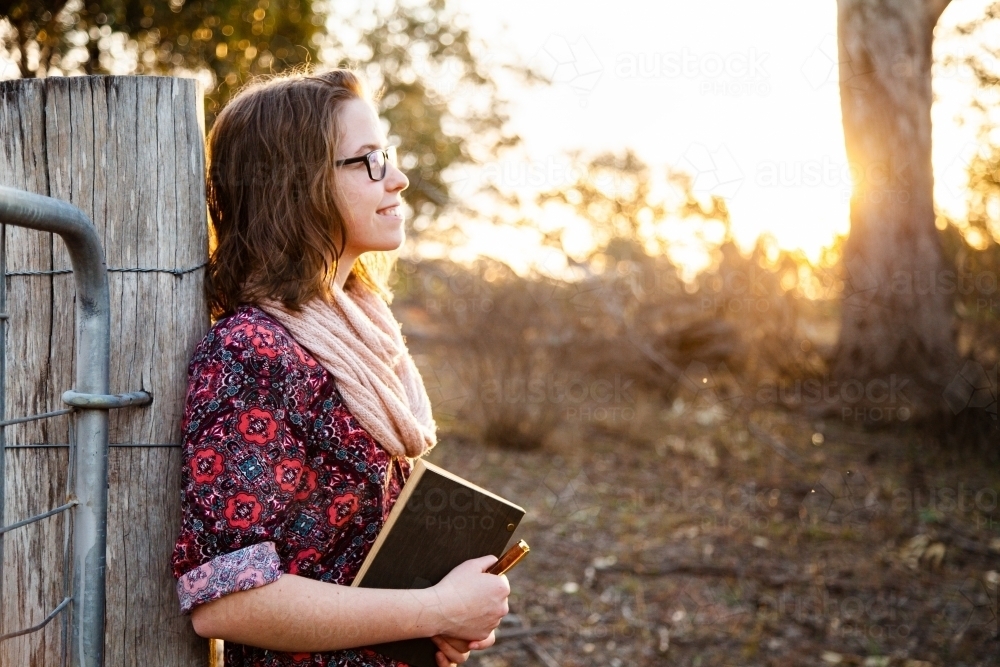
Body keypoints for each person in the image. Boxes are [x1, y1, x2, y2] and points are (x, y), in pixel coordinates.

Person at [170, 69, 510, 667]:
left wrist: (449, 614)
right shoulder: (252, 352)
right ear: (296, 185)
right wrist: (435, 608)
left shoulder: (359, 333)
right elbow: (227, 602)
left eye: (389, 156)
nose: (398, 178)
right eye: (370, 161)